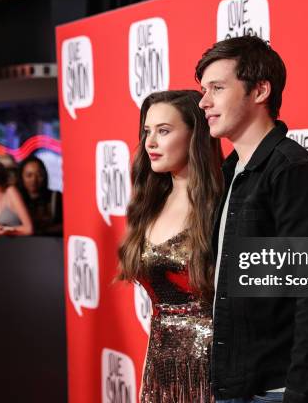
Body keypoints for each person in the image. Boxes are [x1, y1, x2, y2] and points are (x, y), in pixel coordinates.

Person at [196, 36, 308, 403]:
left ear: (260, 90)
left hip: (276, 389)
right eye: (203, 90)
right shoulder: (231, 172)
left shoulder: (293, 172)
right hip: (237, 381)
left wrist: (301, 389)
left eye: (217, 88)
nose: (204, 102)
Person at [117, 90, 223, 402]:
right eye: (147, 132)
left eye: (164, 131)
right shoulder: (150, 202)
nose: (150, 143)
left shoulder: (224, 202)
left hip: (215, 368)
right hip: (161, 367)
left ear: (196, 136)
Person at [17, 156, 63, 235]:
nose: (34, 180)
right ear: (21, 177)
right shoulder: (16, 198)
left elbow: (66, 225)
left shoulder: (56, 197)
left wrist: (44, 231)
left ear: (45, 176)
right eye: (29, 175)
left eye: (39, 175)